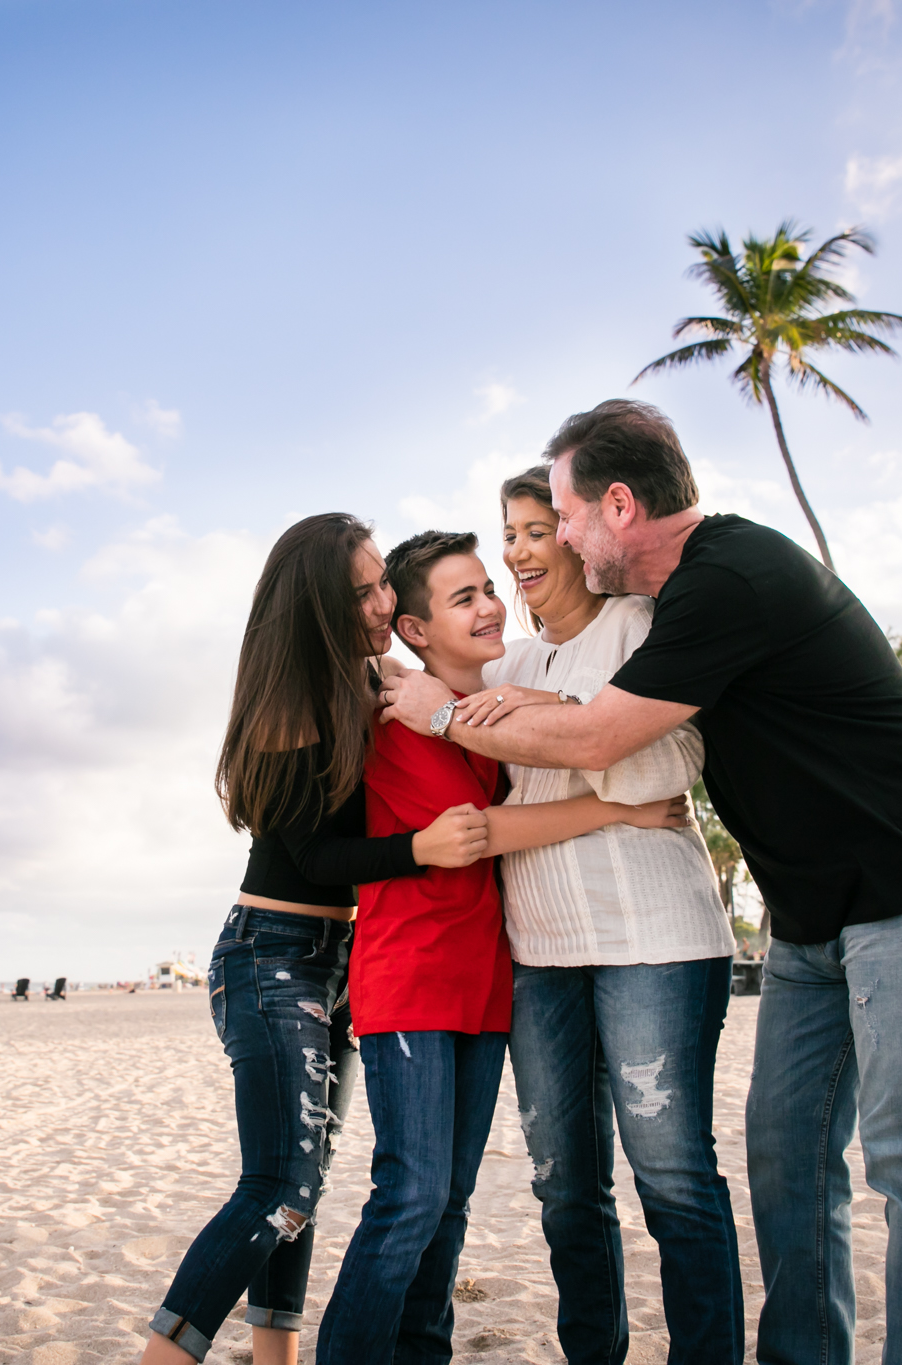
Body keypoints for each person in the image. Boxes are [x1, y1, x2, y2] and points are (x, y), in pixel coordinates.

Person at [381, 401, 902, 1365]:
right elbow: (588, 713)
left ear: (619, 507)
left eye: (560, 514)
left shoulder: (730, 577)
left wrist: (444, 714)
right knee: (786, 1161)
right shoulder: (679, 601)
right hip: (812, 918)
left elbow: (606, 740)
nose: (542, 540)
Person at [316, 531, 688, 1365]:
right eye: (464, 598)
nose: (490, 606)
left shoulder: (483, 715)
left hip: (486, 982)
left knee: (449, 1203)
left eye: (490, 589)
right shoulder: (383, 713)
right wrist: (621, 810)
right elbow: (476, 834)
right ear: (414, 629)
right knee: (409, 1195)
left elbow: (581, 708)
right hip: (408, 978)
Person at [142, 514, 490, 1365]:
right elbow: (316, 852)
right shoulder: (293, 700)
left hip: (337, 963)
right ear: (317, 607)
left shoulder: (370, 680)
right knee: (278, 1189)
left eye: (382, 584)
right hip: (271, 957)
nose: (382, 602)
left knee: (306, 1189)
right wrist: (421, 849)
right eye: (362, 592)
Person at [466, 466, 744, 1364]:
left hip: (654, 941)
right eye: (509, 533)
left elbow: (672, 763)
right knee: (563, 1186)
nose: (519, 551)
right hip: (539, 951)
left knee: (671, 1179)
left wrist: (557, 716)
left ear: (582, 536)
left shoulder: (639, 628)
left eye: (538, 529)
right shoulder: (502, 666)